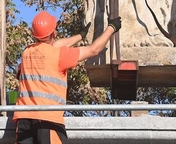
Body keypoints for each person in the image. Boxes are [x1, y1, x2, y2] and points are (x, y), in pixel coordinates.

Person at [13, 10, 121, 144]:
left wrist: (80, 36)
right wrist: (112, 28)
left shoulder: (27, 52)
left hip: (23, 120)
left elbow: (54, 45)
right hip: (47, 120)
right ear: (54, 32)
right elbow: (94, 49)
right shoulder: (60, 56)